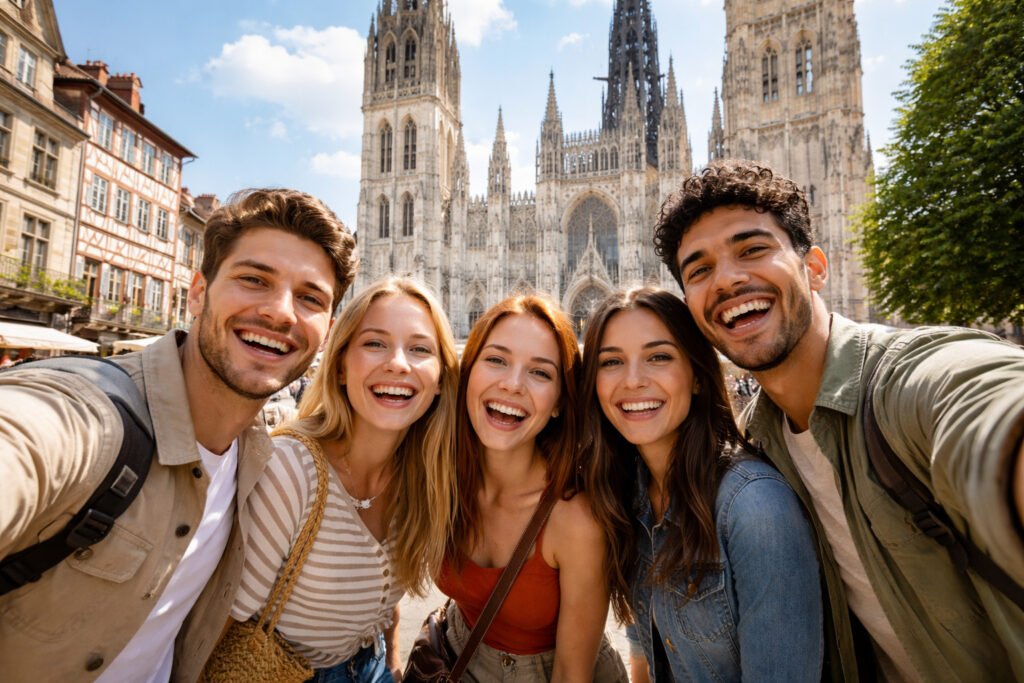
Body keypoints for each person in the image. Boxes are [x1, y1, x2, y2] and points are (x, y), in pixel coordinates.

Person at [653, 159, 1024, 681]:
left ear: (816, 268)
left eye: (753, 249)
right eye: (700, 270)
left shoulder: (908, 386)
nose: (729, 279)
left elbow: (981, 406)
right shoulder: (755, 441)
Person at [0, 188, 356, 683]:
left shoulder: (259, 460)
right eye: (254, 279)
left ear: (329, 329)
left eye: (310, 298)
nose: (281, 312)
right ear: (197, 292)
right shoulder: (85, 418)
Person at [580, 286, 822, 682]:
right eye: (611, 362)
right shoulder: (631, 495)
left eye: (659, 357)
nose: (633, 380)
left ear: (697, 376)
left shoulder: (755, 508)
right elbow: (644, 653)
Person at [226, 277, 459, 682]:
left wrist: (392, 663)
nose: (399, 363)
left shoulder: (419, 476)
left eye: (420, 348)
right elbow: (222, 625)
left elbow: (381, 588)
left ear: (440, 380)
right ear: (339, 367)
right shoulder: (289, 470)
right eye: (374, 343)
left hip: (370, 667)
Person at [435, 294, 627, 682]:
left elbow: (572, 674)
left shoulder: (575, 518)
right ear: (467, 371)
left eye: (540, 372)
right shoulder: (440, 476)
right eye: (496, 360)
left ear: (559, 402)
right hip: (455, 656)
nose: (512, 384)